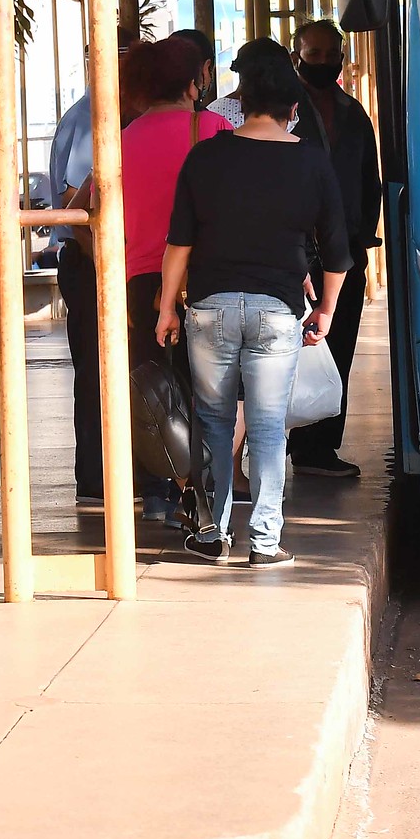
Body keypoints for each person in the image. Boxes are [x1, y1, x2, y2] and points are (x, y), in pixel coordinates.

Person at [156, 53, 351, 568]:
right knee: (266, 427)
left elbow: (178, 243)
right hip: (276, 311)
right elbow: (336, 252)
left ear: (241, 105)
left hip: (209, 308)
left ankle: (211, 534)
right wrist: (326, 310)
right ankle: (264, 541)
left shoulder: (206, 157)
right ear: (293, 107)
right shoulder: (312, 162)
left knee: (214, 423)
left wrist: (164, 310)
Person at [113, 37, 230, 520]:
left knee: (153, 389)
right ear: (193, 82)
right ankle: (204, 493)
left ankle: (159, 491)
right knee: (210, 392)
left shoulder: (120, 140)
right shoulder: (216, 128)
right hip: (206, 278)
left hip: (140, 280)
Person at [47, 25, 140, 503]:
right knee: (99, 371)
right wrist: (111, 265)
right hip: (93, 263)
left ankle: (109, 472)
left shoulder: (109, 113)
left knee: (105, 369)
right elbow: (76, 201)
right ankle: (98, 477)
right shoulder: (91, 118)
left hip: (103, 260)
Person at [287, 20, 383, 480]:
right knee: (283, 351)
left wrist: (364, 235)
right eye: (315, 53)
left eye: (332, 54)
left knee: (338, 347)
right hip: (293, 251)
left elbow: (371, 179)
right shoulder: (284, 111)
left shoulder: (354, 112)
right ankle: (279, 440)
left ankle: (320, 447)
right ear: (296, 56)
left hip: (344, 252)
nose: (324, 61)